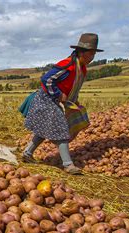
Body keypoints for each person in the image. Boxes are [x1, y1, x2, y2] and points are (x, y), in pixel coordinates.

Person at [22, 33, 103, 174]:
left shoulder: (81, 68)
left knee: (44, 128)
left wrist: (73, 100)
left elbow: (73, 87)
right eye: (91, 54)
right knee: (61, 129)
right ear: (81, 53)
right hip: (47, 99)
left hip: (56, 100)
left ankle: (27, 153)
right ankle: (68, 164)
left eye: (94, 54)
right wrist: (59, 94)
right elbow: (46, 80)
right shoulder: (68, 65)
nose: (92, 58)